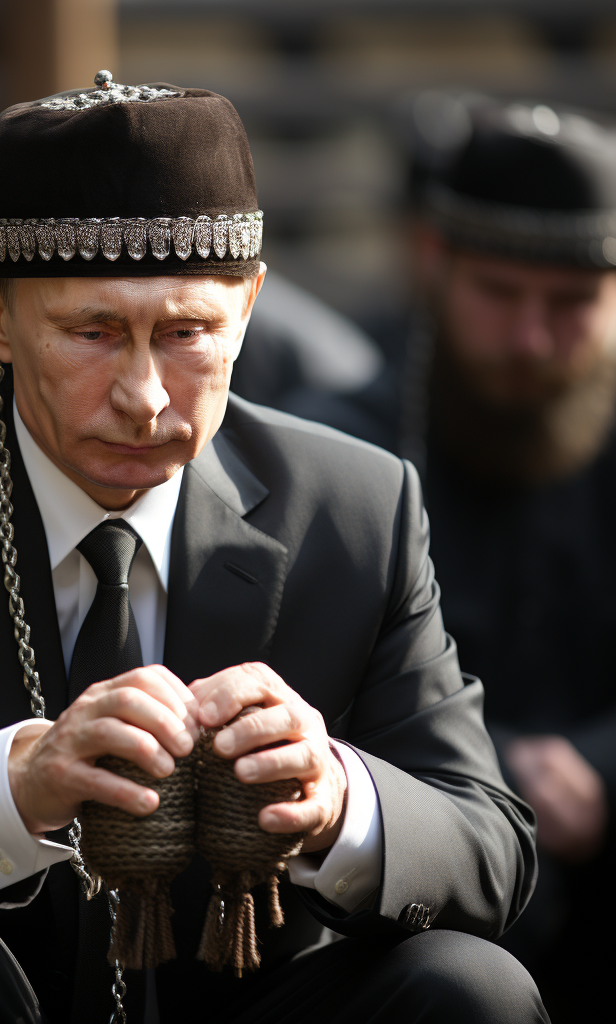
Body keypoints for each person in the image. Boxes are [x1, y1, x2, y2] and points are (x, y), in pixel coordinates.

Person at [0, 75, 542, 1024]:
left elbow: (489, 847)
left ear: (248, 305)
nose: (146, 396)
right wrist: (12, 787)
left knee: (471, 989)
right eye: (92, 332)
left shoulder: (357, 507)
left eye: (186, 334)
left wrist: (339, 800)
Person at [286, 99, 616, 1022]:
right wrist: (502, 767)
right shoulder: (339, 453)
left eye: (571, 304)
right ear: (437, 263)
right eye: (500, 295)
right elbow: (316, 687)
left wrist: (598, 769)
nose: (530, 340)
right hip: (428, 865)